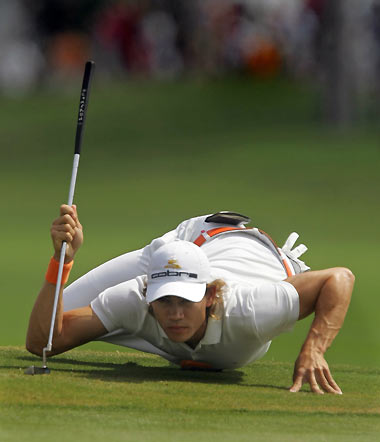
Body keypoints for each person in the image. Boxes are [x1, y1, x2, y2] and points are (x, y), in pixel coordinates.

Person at [26, 204, 354, 395]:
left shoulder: (251, 309)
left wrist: (314, 348)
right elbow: (42, 342)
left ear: (210, 295)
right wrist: (62, 259)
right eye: (165, 301)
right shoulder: (134, 299)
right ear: (147, 296)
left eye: (185, 300)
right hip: (183, 243)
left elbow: (339, 278)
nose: (175, 313)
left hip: (247, 250)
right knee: (57, 313)